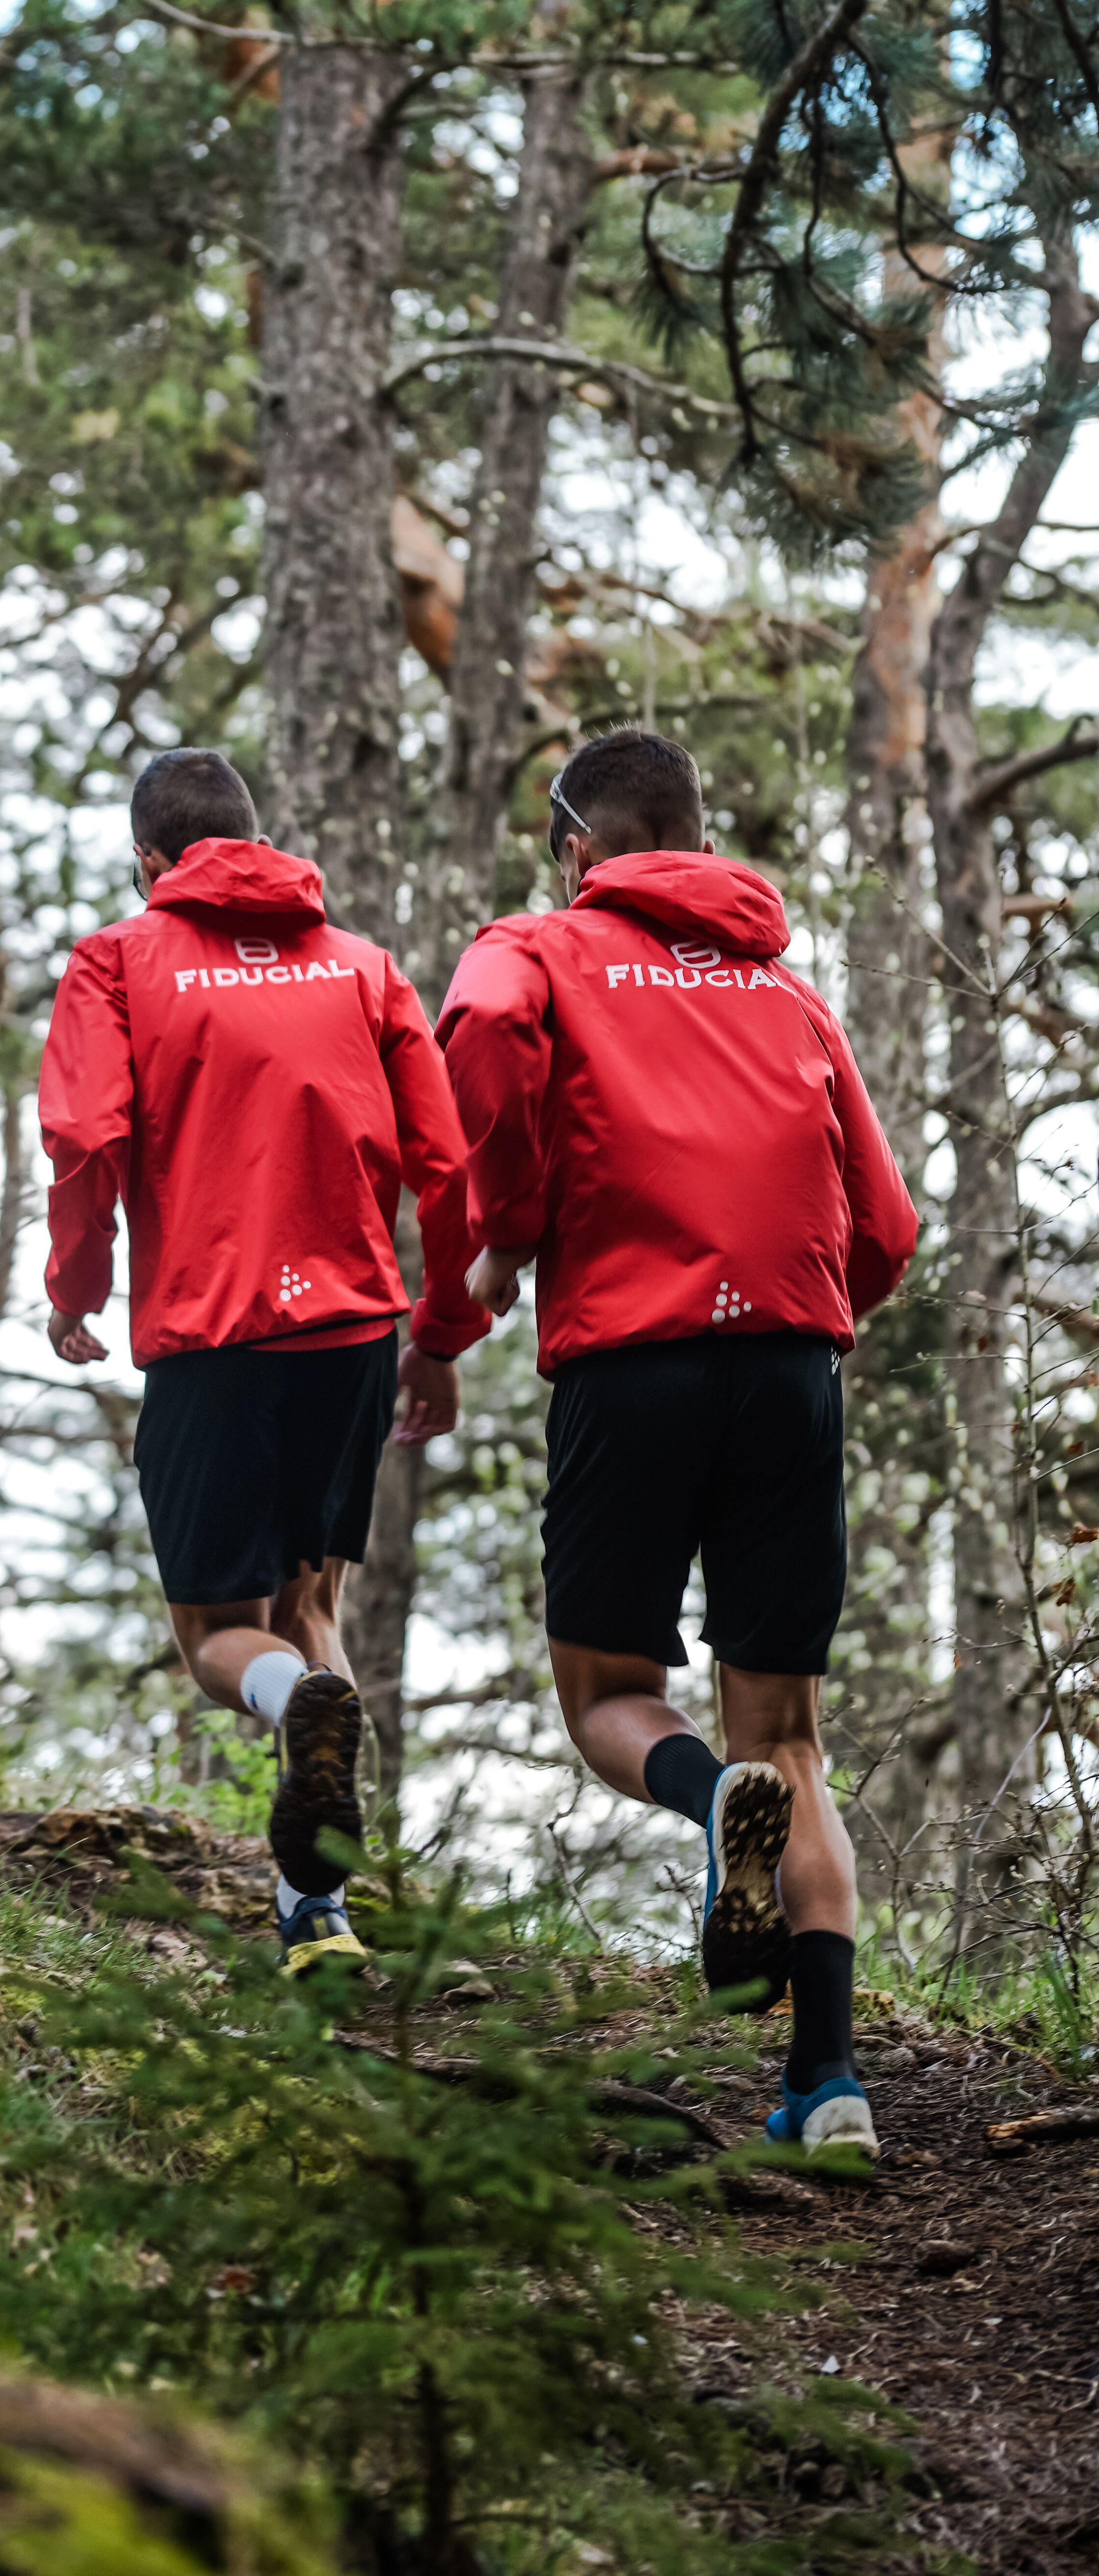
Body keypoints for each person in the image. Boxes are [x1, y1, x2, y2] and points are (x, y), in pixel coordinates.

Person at [438, 729, 918, 2157]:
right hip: (790, 1362)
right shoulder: (789, 994)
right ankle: (830, 2090)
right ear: (699, 843)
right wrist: (817, 1318)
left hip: (631, 1358)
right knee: (798, 1739)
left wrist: (511, 1230)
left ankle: (717, 1807)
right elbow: (885, 1228)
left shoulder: (535, 950)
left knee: (608, 1697)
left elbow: (476, 1033)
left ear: (576, 844)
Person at [40, 748, 492, 1972]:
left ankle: (296, 1715)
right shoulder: (361, 968)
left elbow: (85, 1138)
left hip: (212, 1332)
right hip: (351, 1331)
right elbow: (446, 1168)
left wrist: (73, 1289)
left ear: (149, 863)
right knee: (312, 1608)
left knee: (218, 1643)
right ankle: (319, 1918)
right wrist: (440, 1336)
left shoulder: (116, 962)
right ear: (254, 838)